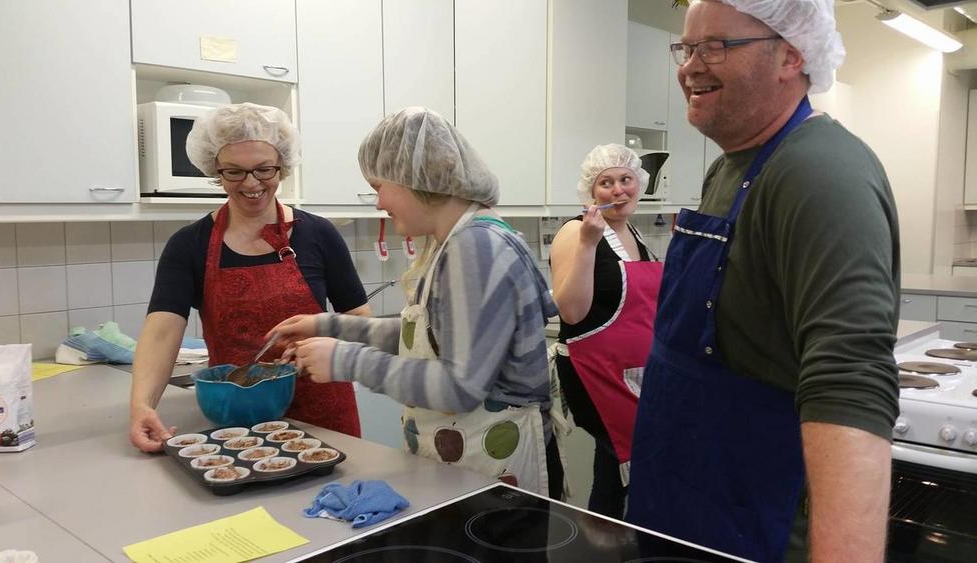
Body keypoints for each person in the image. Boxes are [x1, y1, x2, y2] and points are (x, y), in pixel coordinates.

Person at [625, 1, 899, 562]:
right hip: (679, 502)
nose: (690, 66)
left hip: (749, 520)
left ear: (791, 56)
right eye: (687, 48)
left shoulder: (821, 172)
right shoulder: (729, 166)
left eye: (715, 46)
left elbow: (850, 383)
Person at [269, 107, 564, 498]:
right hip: (473, 461)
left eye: (379, 186)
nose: (378, 203)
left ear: (413, 177)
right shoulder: (454, 241)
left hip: (500, 466)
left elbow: (459, 388)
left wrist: (347, 360)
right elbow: (423, 336)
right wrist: (328, 326)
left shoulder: (475, 247)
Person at [129, 102, 370, 453]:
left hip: (325, 413)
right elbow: (162, 331)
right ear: (216, 170)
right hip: (237, 419)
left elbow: (358, 318)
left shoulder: (318, 234)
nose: (251, 183)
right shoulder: (189, 245)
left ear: (282, 166)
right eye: (234, 172)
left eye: (264, 169)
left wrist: (326, 344)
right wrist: (142, 406)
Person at [549, 144, 662, 518]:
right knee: (622, 460)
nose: (618, 190)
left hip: (633, 374)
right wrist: (588, 242)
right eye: (606, 182)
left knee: (616, 470)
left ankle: (611, 538)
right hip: (593, 372)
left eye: (626, 179)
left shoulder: (636, 234)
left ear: (639, 183)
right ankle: (614, 537)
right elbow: (571, 311)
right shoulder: (575, 231)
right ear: (591, 191)